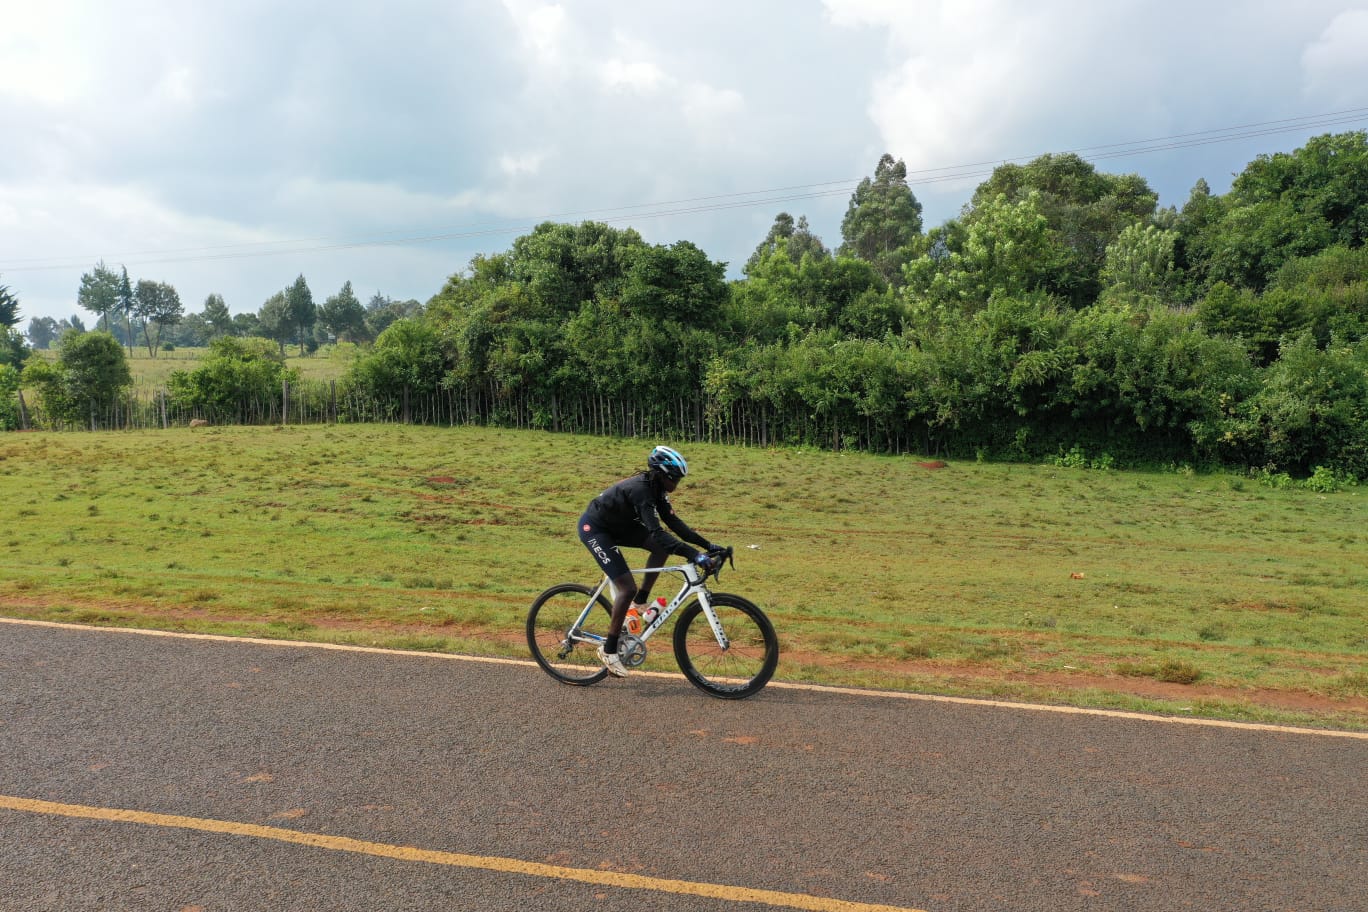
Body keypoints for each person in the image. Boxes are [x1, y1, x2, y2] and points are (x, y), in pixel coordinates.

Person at [578, 445, 722, 677]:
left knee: (659, 549)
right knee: (626, 587)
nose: (676, 484)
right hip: (595, 528)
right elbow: (657, 532)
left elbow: (676, 525)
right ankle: (609, 650)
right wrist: (694, 555)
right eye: (674, 479)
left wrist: (708, 546)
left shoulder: (657, 490)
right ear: (660, 474)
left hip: (618, 526)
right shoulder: (641, 492)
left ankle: (640, 602)